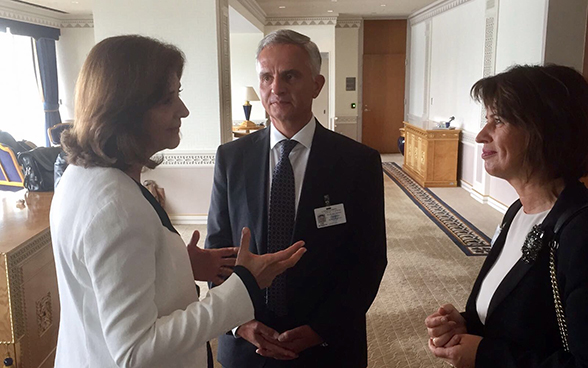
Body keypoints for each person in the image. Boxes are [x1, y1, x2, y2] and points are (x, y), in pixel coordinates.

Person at [50, 35, 306, 368]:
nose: (183, 110)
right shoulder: (114, 205)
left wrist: (176, 267)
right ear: (126, 109)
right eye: (168, 100)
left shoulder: (80, 176)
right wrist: (245, 283)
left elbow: (108, 281)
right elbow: (136, 351)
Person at [205, 29, 387, 367]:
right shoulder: (231, 158)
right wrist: (238, 323)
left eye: (290, 75)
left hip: (327, 346)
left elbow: (368, 260)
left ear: (317, 84)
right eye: (266, 77)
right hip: (247, 346)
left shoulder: (357, 162)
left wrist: (321, 329)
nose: (276, 87)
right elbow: (219, 253)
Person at [425, 64, 588, 368]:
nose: (481, 136)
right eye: (486, 120)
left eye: (497, 121)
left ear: (544, 130)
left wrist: (484, 355)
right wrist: (466, 325)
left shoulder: (580, 233)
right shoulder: (517, 212)